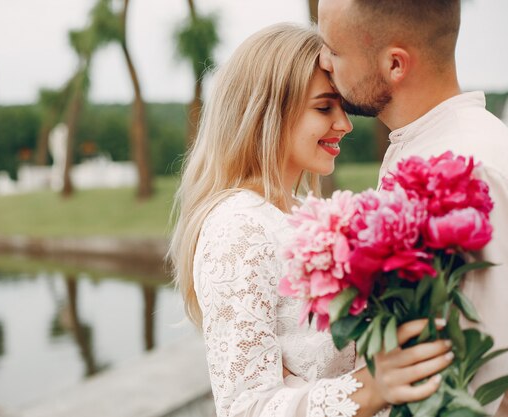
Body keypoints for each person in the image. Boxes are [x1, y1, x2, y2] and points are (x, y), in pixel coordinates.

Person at [169, 23, 454, 417]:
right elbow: (245, 407)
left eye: (342, 106)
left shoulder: (303, 211)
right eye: (324, 107)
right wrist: (369, 389)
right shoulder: (238, 228)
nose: (345, 124)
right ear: (268, 111)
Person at [317, 1, 508, 415]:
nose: (323, 61)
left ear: (395, 64)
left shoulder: (475, 172)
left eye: (335, 50)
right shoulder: (425, 145)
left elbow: (465, 385)